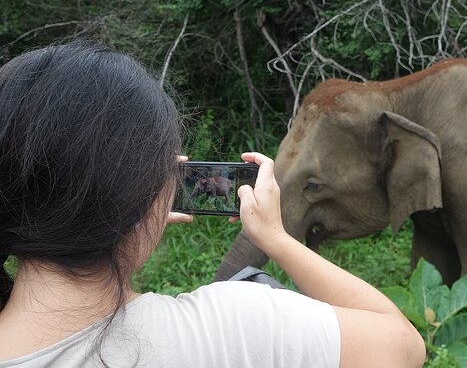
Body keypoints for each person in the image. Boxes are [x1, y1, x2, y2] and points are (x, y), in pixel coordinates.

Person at [0, 41, 426, 367]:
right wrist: (276, 238)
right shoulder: (234, 324)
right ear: (140, 196)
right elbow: (403, 346)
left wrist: (131, 213)